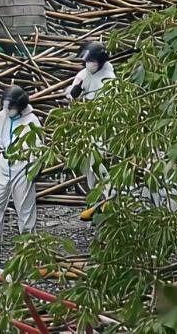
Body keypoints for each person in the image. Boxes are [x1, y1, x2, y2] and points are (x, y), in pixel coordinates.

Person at [0, 85, 43, 254]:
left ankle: (28, 241)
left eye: (10, 107)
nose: (7, 111)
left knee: (25, 204)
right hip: (4, 160)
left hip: (23, 164)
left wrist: (35, 167)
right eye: (5, 107)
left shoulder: (32, 121)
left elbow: (38, 147)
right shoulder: (4, 115)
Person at [64, 42, 116, 221]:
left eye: (92, 61)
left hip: (102, 127)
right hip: (86, 127)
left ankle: (107, 202)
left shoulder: (109, 78)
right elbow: (71, 94)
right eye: (87, 61)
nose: (89, 64)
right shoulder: (83, 74)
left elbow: (110, 106)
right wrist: (74, 92)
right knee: (88, 169)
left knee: (101, 166)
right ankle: (93, 204)